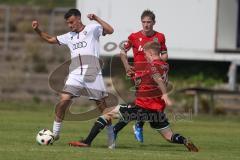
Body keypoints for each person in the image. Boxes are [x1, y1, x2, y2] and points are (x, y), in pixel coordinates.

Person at [68, 41, 199, 152]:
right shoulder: (164, 65)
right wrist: (136, 76)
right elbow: (149, 79)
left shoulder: (153, 66)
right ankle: (184, 140)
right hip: (157, 109)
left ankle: (87, 141)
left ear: (152, 53)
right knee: (169, 136)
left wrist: (165, 94)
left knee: (107, 113)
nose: (146, 57)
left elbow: (157, 79)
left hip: (144, 107)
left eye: (146, 54)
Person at [31, 9, 114, 144]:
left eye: (71, 22)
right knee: (63, 100)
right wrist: (37, 30)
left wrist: (97, 18)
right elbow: (50, 39)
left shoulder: (93, 29)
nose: (69, 25)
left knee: (102, 108)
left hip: (92, 72)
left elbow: (110, 30)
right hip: (75, 74)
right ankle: (55, 134)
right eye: (68, 23)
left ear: (79, 19)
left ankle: (111, 137)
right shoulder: (69, 36)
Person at [117, 9, 169, 143]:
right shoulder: (134, 37)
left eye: (149, 22)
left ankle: (138, 124)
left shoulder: (160, 37)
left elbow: (164, 54)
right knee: (144, 103)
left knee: (154, 103)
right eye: (144, 22)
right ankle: (138, 125)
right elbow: (122, 51)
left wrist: (161, 65)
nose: (146, 25)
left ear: (154, 23)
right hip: (140, 76)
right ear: (141, 22)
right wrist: (127, 66)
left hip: (155, 75)